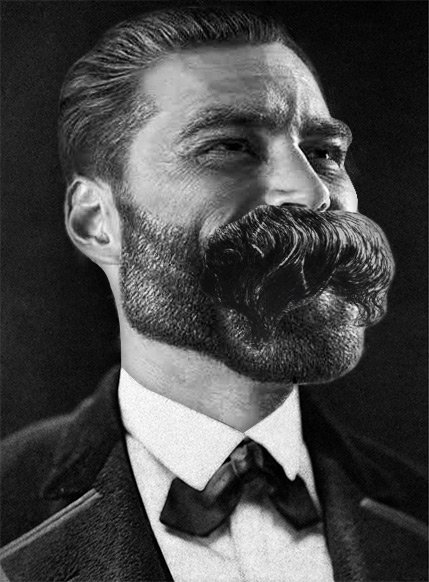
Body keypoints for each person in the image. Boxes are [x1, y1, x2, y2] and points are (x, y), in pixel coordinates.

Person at [1, 6, 427, 582]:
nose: (312, 193)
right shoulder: (11, 509)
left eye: (324, 153)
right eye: (230, 147)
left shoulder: (415, 513)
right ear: (97, 221)